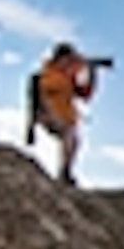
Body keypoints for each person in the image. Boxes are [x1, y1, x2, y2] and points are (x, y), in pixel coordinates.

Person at [30, 41, 99, 184]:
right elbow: (46, 92)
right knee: (69, 137)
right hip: (48, 115)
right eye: (68, 59)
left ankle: (65, 172)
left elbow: (85, 94)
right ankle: (65, 173)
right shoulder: (48, 74)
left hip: (66, 118)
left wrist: (92, 74)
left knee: (73, 141)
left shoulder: (67, 77)